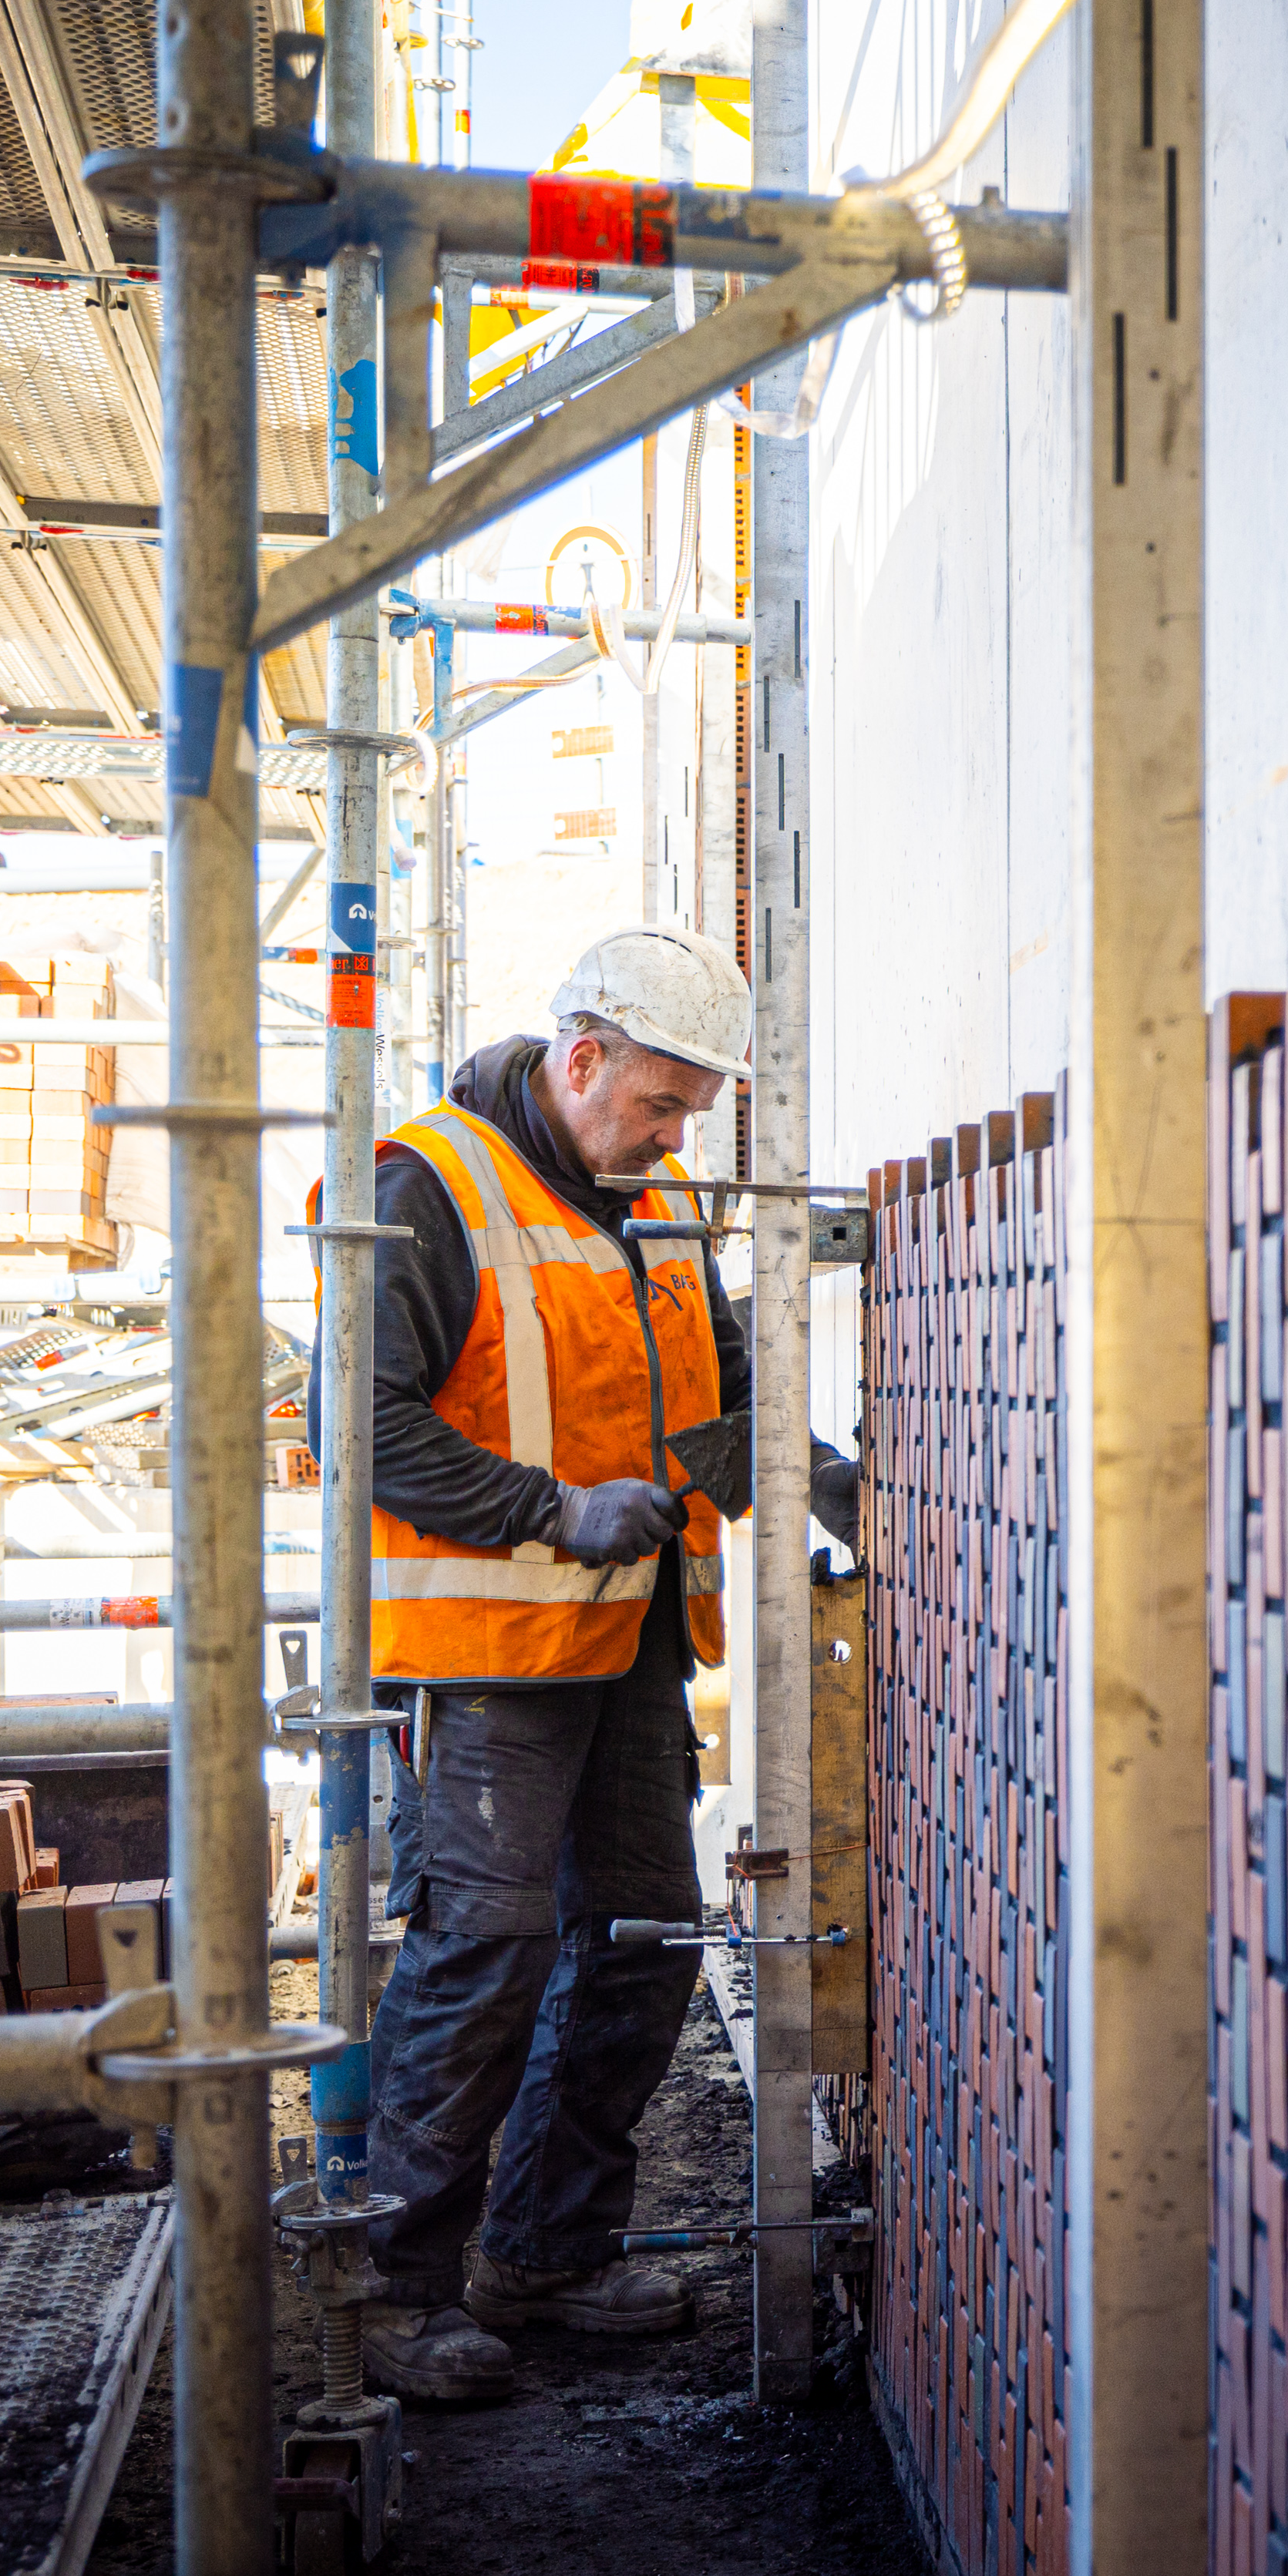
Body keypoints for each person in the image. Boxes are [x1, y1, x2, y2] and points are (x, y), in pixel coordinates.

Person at [343, 925, 853, 2400]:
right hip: (486, 1650)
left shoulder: (659, 1196)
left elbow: (706, 1382)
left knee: (644, 1938)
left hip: (623, 1641)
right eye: (661, 1102)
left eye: (692, 1110)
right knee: (480, 1955)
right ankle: (388, 2289)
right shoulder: (428, 1183)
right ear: (582, 1061)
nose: (677, 1131)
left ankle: (548, 2251)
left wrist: (808, 1468)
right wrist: (548, 1509)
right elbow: (358, 1421)